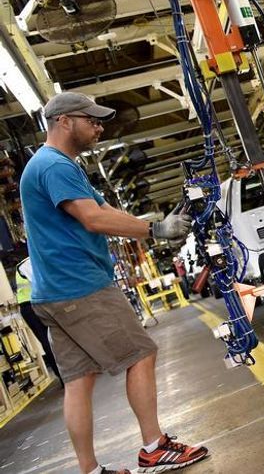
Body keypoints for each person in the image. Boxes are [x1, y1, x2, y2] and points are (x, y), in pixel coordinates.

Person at [20, 92, 208, 474]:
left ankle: (89, 470)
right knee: (141, 353)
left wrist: (150, 225)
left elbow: (104, 210)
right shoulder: (54, 166)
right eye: (92, 120)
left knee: (79, 381)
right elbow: (93, 218)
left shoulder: (59, 165)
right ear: (65, 121)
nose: (100, 127)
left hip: (53, 292)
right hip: (79, 287)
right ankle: (154, 448)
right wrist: (156, 229)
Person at [13, 256, 63, 385]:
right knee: (48, 341)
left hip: (37, 304)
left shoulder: (36, 260)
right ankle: (63, 376)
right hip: (32, 306)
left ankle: (66, 374)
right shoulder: (28, 263)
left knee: (55, 339)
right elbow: (42, 284)